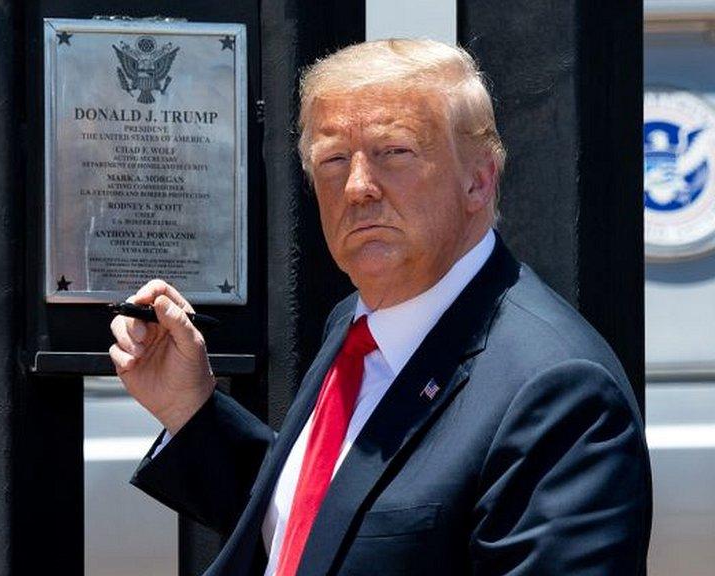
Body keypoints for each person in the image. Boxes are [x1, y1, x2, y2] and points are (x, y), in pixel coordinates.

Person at [109, 39, 651, 575]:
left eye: (395, 152)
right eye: (334, 159)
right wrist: (191, 410)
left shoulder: (559, 390)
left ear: (479, 180)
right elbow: (327, 528)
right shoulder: (356, 320)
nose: (359, 187)